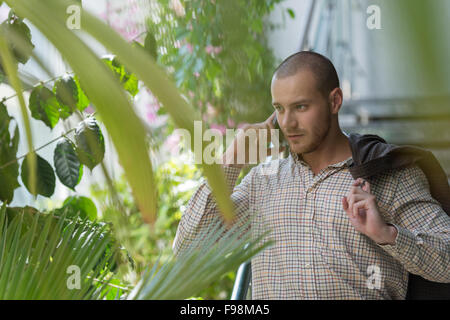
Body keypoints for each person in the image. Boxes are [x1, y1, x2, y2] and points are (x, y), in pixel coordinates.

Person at [173, 51, 450, 299]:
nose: (287, 123)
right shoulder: (262, 183)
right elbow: (188, 250)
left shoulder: (387, 174)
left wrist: (387, 234)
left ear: (335, 101)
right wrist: (231, 162)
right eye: (279, 109)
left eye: (300, 107)